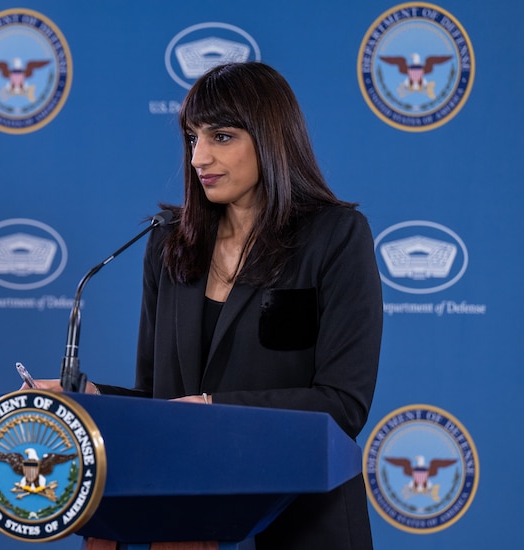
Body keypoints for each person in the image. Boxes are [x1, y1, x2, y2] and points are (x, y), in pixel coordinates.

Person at [32, 61, 383, 550]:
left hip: (300, 523)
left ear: (270, 138)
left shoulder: (336, 237)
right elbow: (162, 403)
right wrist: (90, 398)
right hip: (189, 523)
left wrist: (215, 409)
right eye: (191, 138)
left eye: (220, 136)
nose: (198, 157)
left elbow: (342, 403)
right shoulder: (168, 243)